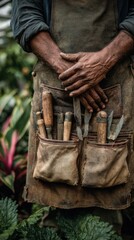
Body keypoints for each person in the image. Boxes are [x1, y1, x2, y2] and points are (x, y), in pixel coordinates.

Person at [11, 0, 134, 234]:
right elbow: (24, 15)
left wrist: (104, 61)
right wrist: (72, 74)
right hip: (56, 94)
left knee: (109, 190)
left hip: (111, 93)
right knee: (54, 191)